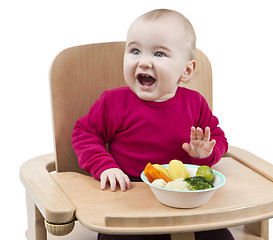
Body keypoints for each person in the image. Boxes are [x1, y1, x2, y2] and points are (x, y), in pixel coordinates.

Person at [72, 8, 233, 240]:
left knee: (220, 236)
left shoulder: (195, 103)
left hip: (184, 194)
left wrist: (204, 153)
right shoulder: (113, 102)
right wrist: (105, 166)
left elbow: (218, 139)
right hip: (129, 191)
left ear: (186, 70)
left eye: (159, 54)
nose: (144, 62)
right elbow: (84, 133)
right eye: (135, 51)